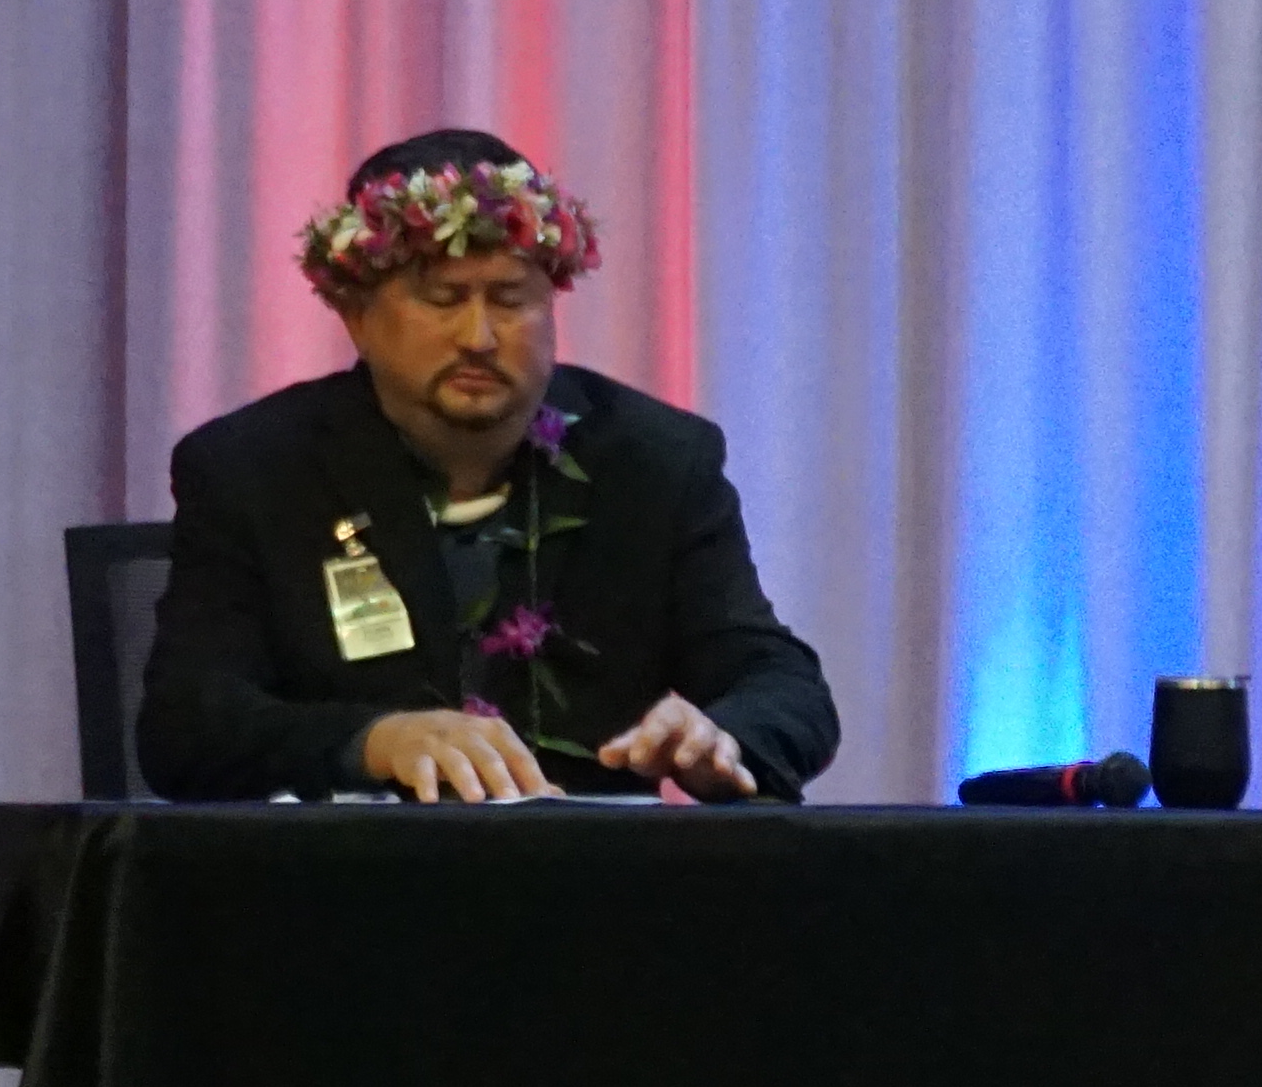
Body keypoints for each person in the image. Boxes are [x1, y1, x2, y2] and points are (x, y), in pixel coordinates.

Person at [138, 129, 840, 804]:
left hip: (593, 872)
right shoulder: (256, 470)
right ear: (357, 316)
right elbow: (187, 725)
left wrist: (724, 738)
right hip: (353, 869)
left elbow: (783, 685)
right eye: (443, 299)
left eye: (510, 300)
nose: (478, 337)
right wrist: (373, 742)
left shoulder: (654, 461)